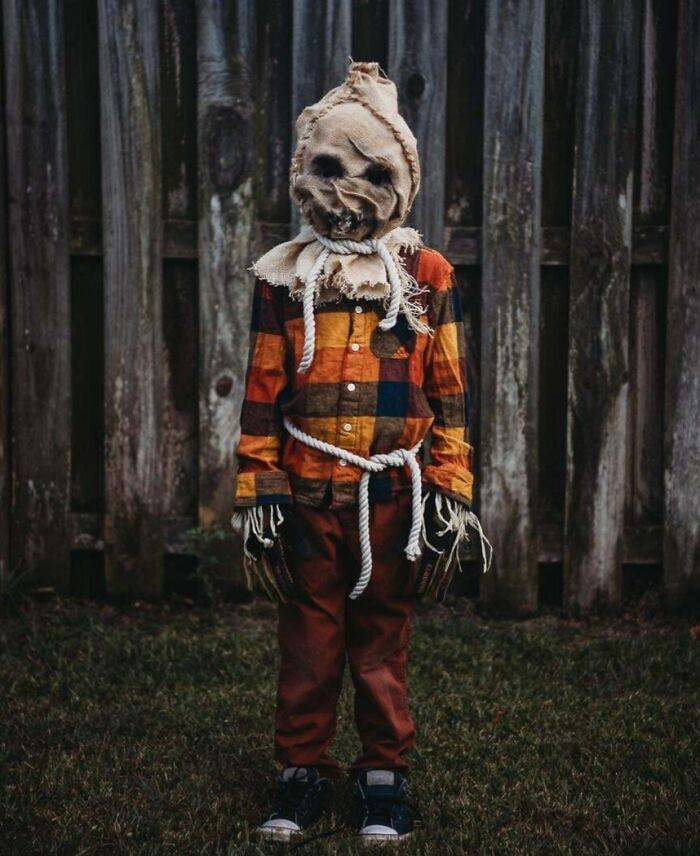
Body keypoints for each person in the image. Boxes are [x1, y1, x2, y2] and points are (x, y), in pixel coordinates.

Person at [231, 62, 490, 845]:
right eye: (329, 169)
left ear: (400, 180)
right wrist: (260, 483)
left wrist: (448, 485)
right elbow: (262, 387)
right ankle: (301, 772)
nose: (347, 193)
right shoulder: (285, 278)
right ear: (302, 172)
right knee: (308, 647)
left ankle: (385, 776)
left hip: (393, 504)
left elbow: (448, 393)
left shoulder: (426, 276)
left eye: (371, 173)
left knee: (382, 643)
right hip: (309, 498)